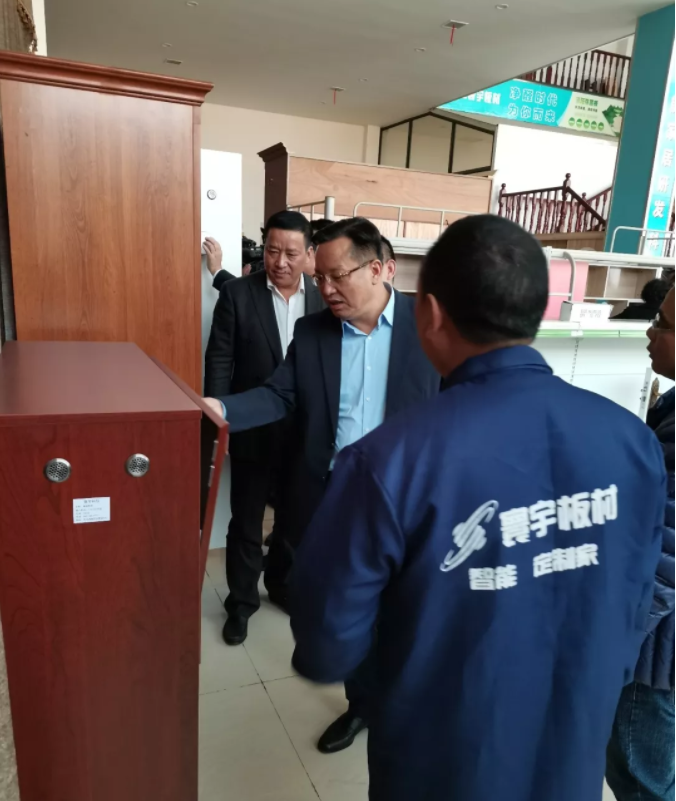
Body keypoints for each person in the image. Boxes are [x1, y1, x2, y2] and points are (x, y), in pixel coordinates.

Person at [289, 214, 667, 801]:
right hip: (570, 742)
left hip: (439, 755)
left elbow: (326, 643)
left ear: (430, 314)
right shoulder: (631, 441)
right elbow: (637, 597)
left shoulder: (386, 461)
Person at [203, 217, 440, 749]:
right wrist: (222, 407)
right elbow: (279, 394)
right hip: (336, 496)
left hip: (409, 500)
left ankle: (409, 706)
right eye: (321, 278)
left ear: (380, 269)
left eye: (337, 276)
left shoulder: (430, 324)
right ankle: (362, 705)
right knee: (352, 608)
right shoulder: (313, 333)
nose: (325, 288)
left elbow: (459, 404)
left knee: (411, 610)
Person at [204, 211, 323, 645]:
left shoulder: (324, 298)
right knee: (246, 520)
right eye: (273, 250)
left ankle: (281, 584)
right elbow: (220, 361)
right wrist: (221, 425)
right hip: (253, 428)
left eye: (291, 253)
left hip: (305, 433)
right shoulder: (238, 293)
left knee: (293, 518)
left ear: (309, 254)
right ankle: (241, 602)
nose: (280, 261)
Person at [607, 287, 675, 801]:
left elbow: (667, 556)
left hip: (655, 648)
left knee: (639, 776)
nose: (651, 332)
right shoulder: (670, 403)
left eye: (665, 324)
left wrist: (622, 636)